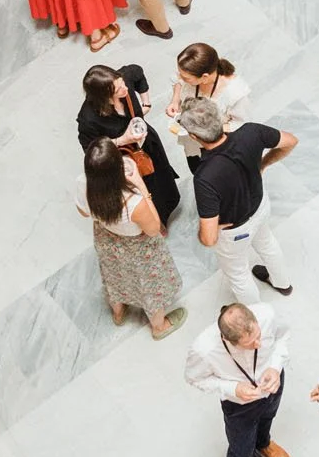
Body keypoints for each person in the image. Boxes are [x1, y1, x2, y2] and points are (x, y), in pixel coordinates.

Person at [184, 301, 294, 457]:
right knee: (241, 449)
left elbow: (283, 337)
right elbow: (194, 378)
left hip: (272, 383)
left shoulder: (267, 314)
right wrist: (232, 388)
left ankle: (264, 444)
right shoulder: (204, 350)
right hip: (239, 404)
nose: (259, 344)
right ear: (228, 341)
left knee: (268, 417)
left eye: (258, 336)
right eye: (250, 343)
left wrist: (274, 366)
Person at [184, 97, 296, 303]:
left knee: (239, 274)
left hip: (236, 231)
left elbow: (208, 239)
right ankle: (283, 283)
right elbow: (291, 141)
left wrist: (208, 231)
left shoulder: (204, 177)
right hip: (260, 206)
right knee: (267, 243)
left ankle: (255, 312)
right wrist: (264, 163)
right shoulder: (251, 132)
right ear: (219, 118)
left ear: (193, 136)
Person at [83, 136, 186, 339]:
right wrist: (141, 185)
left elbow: (82, 212)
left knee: (114, 275)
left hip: (107, 240)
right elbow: (154, 228)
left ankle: (119, 312)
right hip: (138, 248)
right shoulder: (131, 202)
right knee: (149, 285)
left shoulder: (84, 186)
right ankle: (159, 326)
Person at [77, 62, 180, 226]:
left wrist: (146, 103)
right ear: (104, 97)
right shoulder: (88, 118)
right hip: (125, 158)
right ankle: (155, 221)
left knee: (160, 174)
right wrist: (122, 140)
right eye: (118, 90)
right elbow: (90, 150)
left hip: (147, 142)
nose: (125, 89)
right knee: (144, 188)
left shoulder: (122, 80)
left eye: (122, 84)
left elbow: (137, 71)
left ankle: (168, 206)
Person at [165, 43, 251, 167]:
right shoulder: (189, 74)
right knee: (194, 164)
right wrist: (175, 99)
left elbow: (242, 125)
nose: (181, 78)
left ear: (204, 77)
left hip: (216, 147)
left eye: (186, 78)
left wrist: (204, 129)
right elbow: (176, 79)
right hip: (193, 143)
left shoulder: (235, 93)